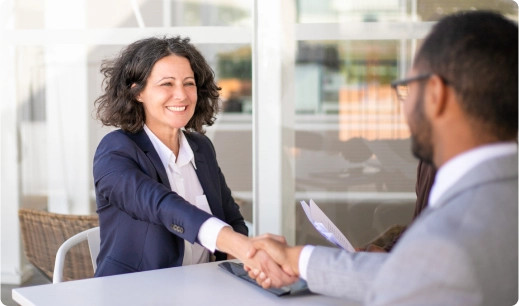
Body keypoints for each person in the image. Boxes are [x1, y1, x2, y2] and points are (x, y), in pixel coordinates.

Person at [247, 11, 519, 305]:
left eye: (407, 88)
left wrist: (296, 259)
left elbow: (421, 275)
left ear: (435, 94)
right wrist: (298, 259)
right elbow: (420, 273)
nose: (403, 105)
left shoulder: (450, 239)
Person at [93, 36, 296, 285]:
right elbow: (162, 205)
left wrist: (252, 258)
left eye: (188, 83)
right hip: (133, 290)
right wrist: (242, 246)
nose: (181, 95)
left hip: (204, 287)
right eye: (167, 83)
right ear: (138, 92)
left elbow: (231, 219)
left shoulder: (201, 147)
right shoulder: (116, 150)